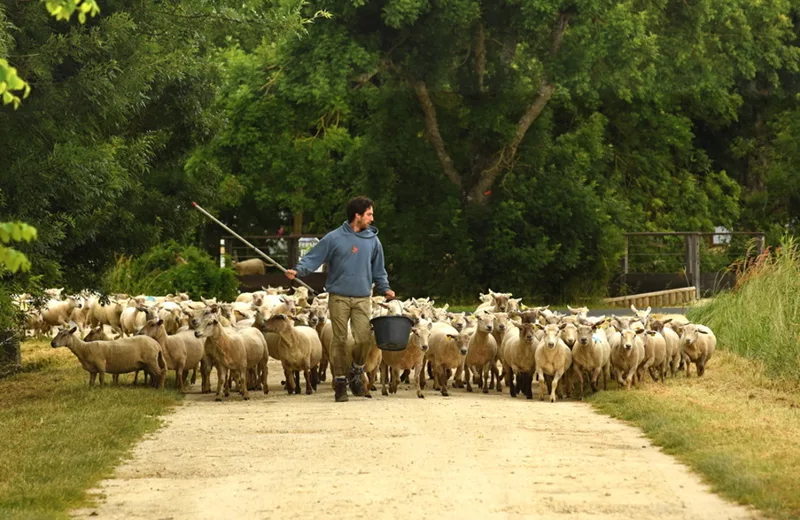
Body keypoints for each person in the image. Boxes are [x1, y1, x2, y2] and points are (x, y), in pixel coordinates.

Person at [285, 196, 395, 402]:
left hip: (363, 296)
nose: (372, 218)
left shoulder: (373, 240)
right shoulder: (334, 238)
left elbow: (378, 269)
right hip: (339, 297)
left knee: (364, 338)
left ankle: (356, 369)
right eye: (369, 214)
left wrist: (385, 288)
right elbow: (313, 257)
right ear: (358, 216)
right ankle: (341, 381)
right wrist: (298, 271)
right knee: (340, 340)